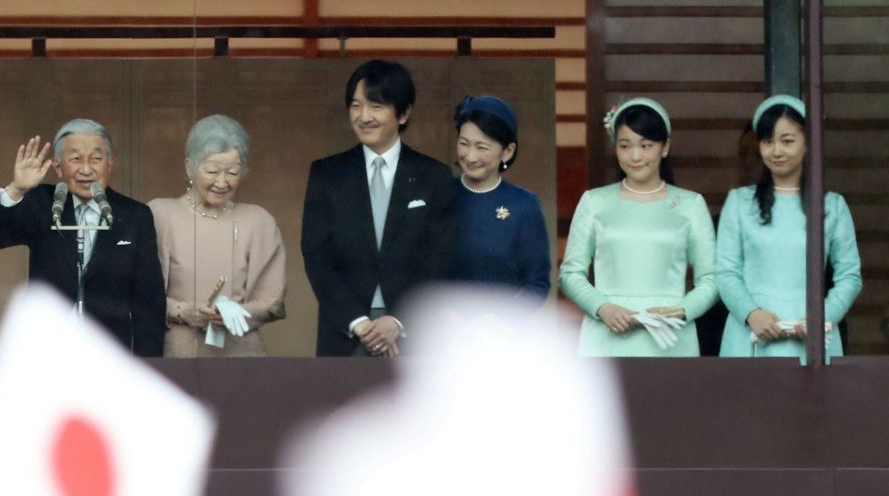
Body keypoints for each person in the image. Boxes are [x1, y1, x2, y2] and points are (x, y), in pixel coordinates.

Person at [0, 119, 165, 357]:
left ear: (110, 165)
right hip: (47, 349)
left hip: (110, 353)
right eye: (75, 159)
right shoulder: (42, 203)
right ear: (58, 167)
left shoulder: (134, 215)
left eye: (96, 159)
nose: (86, 169)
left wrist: (149, 363)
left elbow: (148, 298)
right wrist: (16, 189)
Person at [301, 59, 455, 357]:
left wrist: (398, 319)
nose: (363, 116)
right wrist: (358, 322)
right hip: (345, 331)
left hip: (413, 332)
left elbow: (440, 257)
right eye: (356, 105)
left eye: (376, 106)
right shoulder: (328, 174)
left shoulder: (433, 175)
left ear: (404, 112)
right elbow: (316, 255)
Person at [560, 97, 718, 357]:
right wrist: (602, 308)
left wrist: (682, 310)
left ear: (665, 147)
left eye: (646, 146)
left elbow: (711, 279)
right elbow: (570, 273)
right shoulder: (594, 202)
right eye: (625, 146)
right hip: (606, 332)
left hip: (670, 334)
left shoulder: (690, 204)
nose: (635, 156)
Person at [717, 95, 862, 362]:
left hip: (810, 329)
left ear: (808, 143)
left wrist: (822, 317)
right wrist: (751, 313)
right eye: (768, 141)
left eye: (787, 141)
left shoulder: (832, 206)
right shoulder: (739, 202)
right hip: (750, 331)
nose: (776, 151)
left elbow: (850, 275)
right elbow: (726, 272)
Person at [147, 115, 286, 357]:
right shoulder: (159, 214)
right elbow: (141, 292)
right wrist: (182, 310)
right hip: (179, 351)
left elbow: (272, 299)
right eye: (212, 171)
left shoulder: (257, 220)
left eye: (232, 172)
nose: (222, 182)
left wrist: (234, 313)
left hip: (241, 352)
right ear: (189, 166)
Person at [447, 95, 551, 300]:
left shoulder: (523, 204)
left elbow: (537, 283)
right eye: (464, 143)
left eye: (482, 147)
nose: (470, 156)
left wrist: (502, 321)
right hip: (444, 324)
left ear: (507, 151)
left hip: (500, 327)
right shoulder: (439, 195)